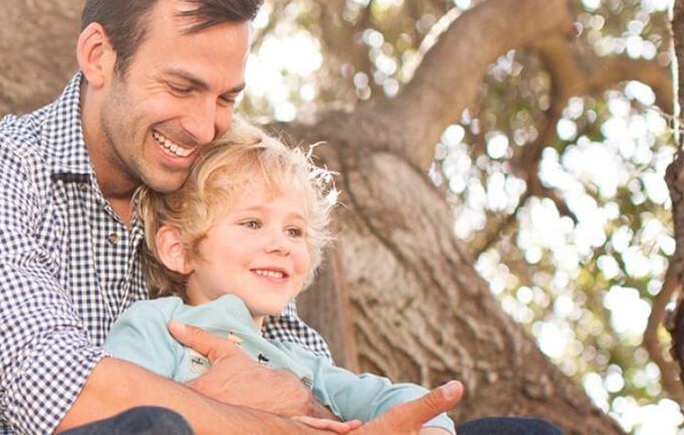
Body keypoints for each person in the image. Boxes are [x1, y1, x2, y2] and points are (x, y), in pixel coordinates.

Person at [0, 0, 462, 433]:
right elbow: (53, 392)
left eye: (226, 98)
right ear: (99, 56)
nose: (205, 126)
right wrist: (261, 420)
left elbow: (296, 373)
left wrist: (312, 405)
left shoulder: (216, 194)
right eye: (181, 87)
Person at [105, 122, 454, 434]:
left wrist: (431, 424)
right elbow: (116, 409)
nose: (281, 245)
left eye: (294, 231)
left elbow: (389, 397)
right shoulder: (157, 324)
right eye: (252, 223)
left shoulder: (300, 364)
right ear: (178, 249)